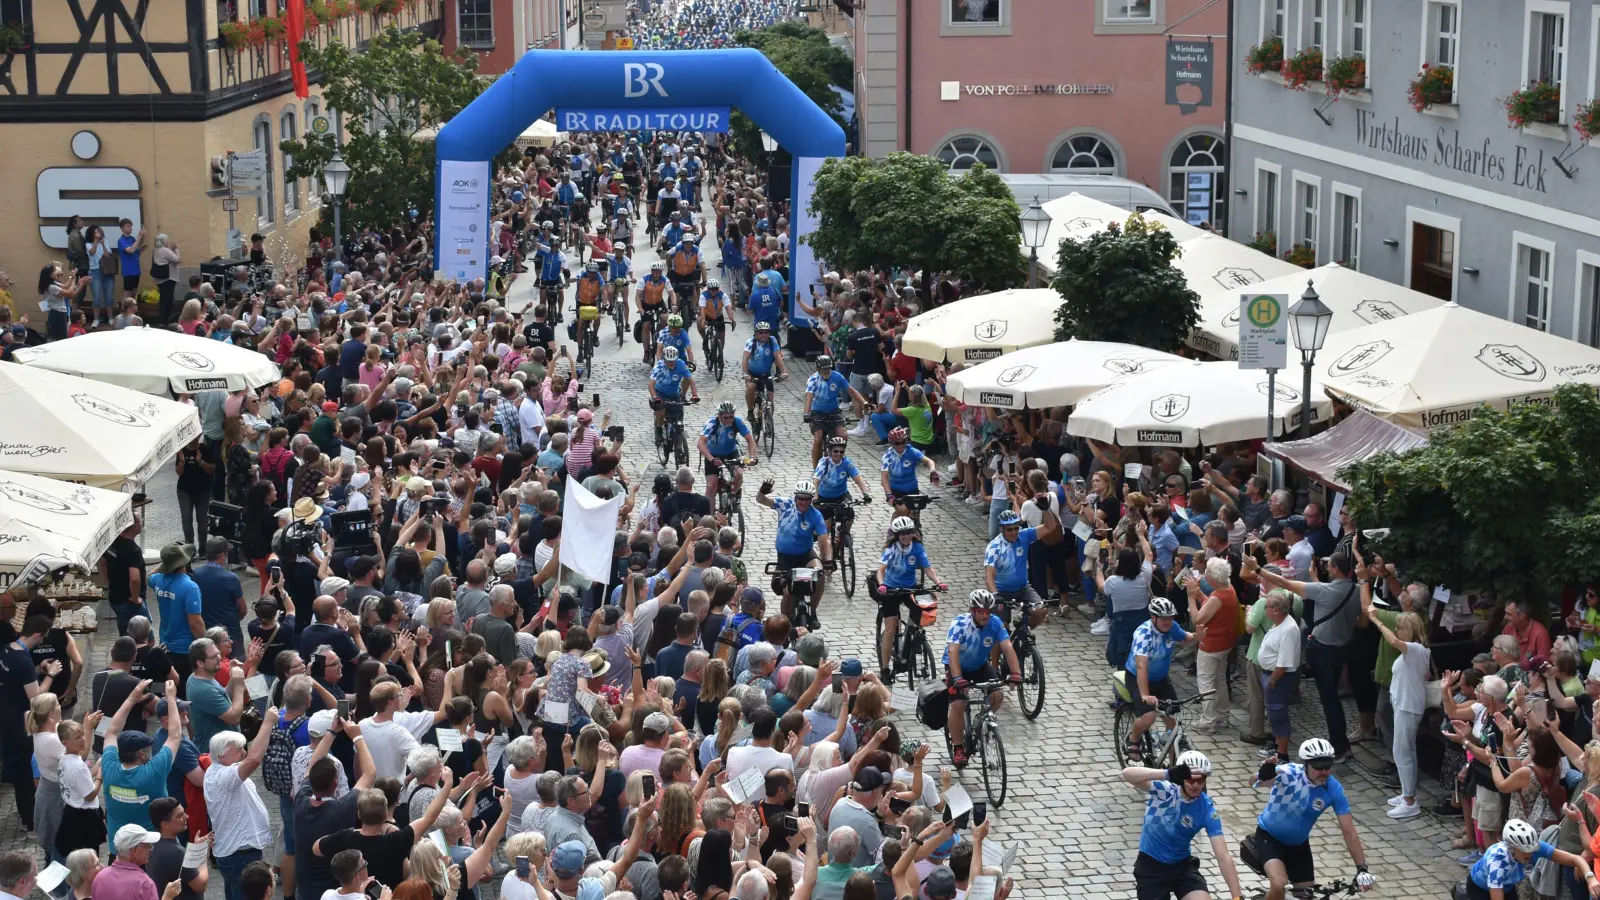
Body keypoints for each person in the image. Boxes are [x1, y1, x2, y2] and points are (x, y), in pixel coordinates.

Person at [1247, 550, 1362, 761]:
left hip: (1323, 650)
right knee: (1331, 697)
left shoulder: (1324, 591)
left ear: (1336, 569)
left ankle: (1339, 745)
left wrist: (1258, 569)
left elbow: (1287, 584)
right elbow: (1361, 622)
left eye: (1329, 565)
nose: (1326, 567)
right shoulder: (1357, 590)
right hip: (1342, 649)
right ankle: (1339, 741)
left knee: (1329, 700)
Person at [1251, 738, 1375, 900]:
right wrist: (1262, 774)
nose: (1324, 772)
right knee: (1279, 884)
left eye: (1327, 767)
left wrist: (1362, 869)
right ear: (1305, 764)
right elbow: (1253, 781)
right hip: (1269, 838)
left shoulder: (1333, 788)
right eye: (1318, 768)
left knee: (1307, 896)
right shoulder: (1288, 773)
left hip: (1298, 845)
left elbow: (1349, 831)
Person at [1121, 750, 1243, 900]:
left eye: (1201, 780)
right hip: (1151, 867)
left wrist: (1237, 897)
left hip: (1182, 867)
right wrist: (1166, 774)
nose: (1196, 785)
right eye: (1191, 780)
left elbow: (1223, 856)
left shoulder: (1205, 808)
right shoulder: (1163, 790)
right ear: (1181, 778)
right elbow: (1127, 774)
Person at [944, 590, 1022, 768]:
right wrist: (957, 677)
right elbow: (953, 651)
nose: (985, 616)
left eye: (988, 612)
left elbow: (1007, 647)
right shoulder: (959, 624)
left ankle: (981, 721)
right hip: (957, 667)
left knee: (997, 696)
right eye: (981, 612)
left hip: (979, 665)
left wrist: (1016, 674)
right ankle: (958, 747)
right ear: (972, 611)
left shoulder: (994, 623)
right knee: (958, 704)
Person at [1122, 597, 1202, 764]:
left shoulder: (1171, 627)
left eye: (1170, 617)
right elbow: (1141, 667)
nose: (1168, 622)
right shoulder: (1143, 634)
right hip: (1138, 678)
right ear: (1153, 618)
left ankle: (1173, 767)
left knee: (1172, 721)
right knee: (1149, 716)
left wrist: (1197, 636)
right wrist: (1145, 694)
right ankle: (1134, 739)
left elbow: (1184, 638)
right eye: (1164, 618)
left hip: (1161, 679)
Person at [873, 515, 945, 682]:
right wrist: (882, 584)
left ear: (913, 533)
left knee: (921, 611)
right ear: (897, 535)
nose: (905, 537)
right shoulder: (891, 549)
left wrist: (939, 582)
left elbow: (927, 568)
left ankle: (913, 637)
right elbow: (881, 570)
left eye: (908, 533)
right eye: (902, 534)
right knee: (891, 629)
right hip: (890, 590)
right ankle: (884, 668)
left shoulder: (917, 548)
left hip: (909, 588)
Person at [754, 477, 833, 624]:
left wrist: (827, 560)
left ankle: (813, 612)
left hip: (805, 555)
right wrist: (762, 492)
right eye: (800, 499)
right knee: (788, 594)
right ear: (795, 497)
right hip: (785, 558)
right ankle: (785, 622)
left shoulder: (815, 515)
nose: (803, 502)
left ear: (811, 499)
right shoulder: (785, 505)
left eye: (807, 500)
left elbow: (824, 539)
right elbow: (761, 500)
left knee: (819, 573)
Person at [1466, 818, 1598, 900]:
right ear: (1512, 848)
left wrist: (1590, 877)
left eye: (1532, 850)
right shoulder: (1497, 861)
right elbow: (1496, 893)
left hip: (1507, 884)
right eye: (1524, 851)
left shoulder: (1536, 847)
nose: (1529, 854)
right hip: (1480, 887)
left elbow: (1575, 859)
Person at [805, 355, 865, 466]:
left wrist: (864, 403)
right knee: (818, 440)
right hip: (817, 413)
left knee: (843, 436)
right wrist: (806, 414)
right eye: (824, 369)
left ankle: (838, 457)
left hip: (833, 411)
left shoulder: (838, 377)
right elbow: (809, 398)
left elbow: (852, 391)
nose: (827, 371)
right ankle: (815, 467)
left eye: (828, 368)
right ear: (818, 369)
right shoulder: (813, 380)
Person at [146, 797, 208, 900]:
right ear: (165, 824)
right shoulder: (176, 852)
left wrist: (195, 848)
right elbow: (200, 885)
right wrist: (202, 852)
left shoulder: (152, 843)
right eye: (180, 816)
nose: (186, 817)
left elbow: (182, 867)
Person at [699, 401, 756, 501]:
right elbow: (700, 443)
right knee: (711, 486)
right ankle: (710, 514)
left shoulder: (737, 422)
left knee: (738, 475)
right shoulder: (711, 423)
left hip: (731, 453)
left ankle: (730, 493)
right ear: (719, 416)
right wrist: (711, 459)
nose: (729, 420)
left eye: (731, 417)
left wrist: (752, 457)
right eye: (726, 417)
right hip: (713, 455)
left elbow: (750, 440)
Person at [97, 825, 162, 899]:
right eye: (148, 845)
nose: (151, 849)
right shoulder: (145, 884)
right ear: (135, 851)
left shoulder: (100, 877)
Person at [742, 320, 787, 426]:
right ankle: (750, 411)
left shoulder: (772, 341)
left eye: (766, 332)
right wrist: (745, 374)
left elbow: (777, 356)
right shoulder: (751, 342)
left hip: (766, 373)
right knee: (751, 387)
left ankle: (768, 422)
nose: (763, 335)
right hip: (752, 373)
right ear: (756, 334)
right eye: (761, 332)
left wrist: (783, 372)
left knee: (770, 397)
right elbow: (745, 359)